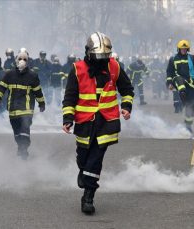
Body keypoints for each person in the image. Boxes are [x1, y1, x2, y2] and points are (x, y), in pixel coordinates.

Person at [62, 32, 134, 215]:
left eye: (105, 56)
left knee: (96, 159)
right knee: (83, 157)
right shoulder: (77, 69)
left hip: (107, 121)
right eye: (98, 56)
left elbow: (127, 90)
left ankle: (88, 197)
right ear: (88, 53)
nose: (102, 60)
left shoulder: (115, 67)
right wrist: (68, 118)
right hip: (85, 122)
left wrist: (126, 106)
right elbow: (70, 97)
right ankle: (83, 172)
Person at [0, 51, 45, 160]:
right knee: (17, 133)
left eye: (25, 59)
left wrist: (42, 103)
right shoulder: (9, 75)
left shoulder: (32, 76)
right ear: (16, 60)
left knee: (24, 130)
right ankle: (20, 146)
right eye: (20, 59)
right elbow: (1, 87)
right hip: (13, 109)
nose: (22, 61)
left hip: (27, 110)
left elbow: (38, 92)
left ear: (28, 61)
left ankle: (24, 148)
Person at [166, 39, 194, 133]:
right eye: (182, 49)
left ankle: (188, 125)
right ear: (178, 49)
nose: (183, 50)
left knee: (191, 106)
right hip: (178, 81)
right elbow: (169, 72)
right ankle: (182, 93)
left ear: (187, 49)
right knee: (180, 81)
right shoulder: (173, 59)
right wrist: (169, 83)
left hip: (190, 84)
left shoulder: (191, 58)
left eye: (185, 49)